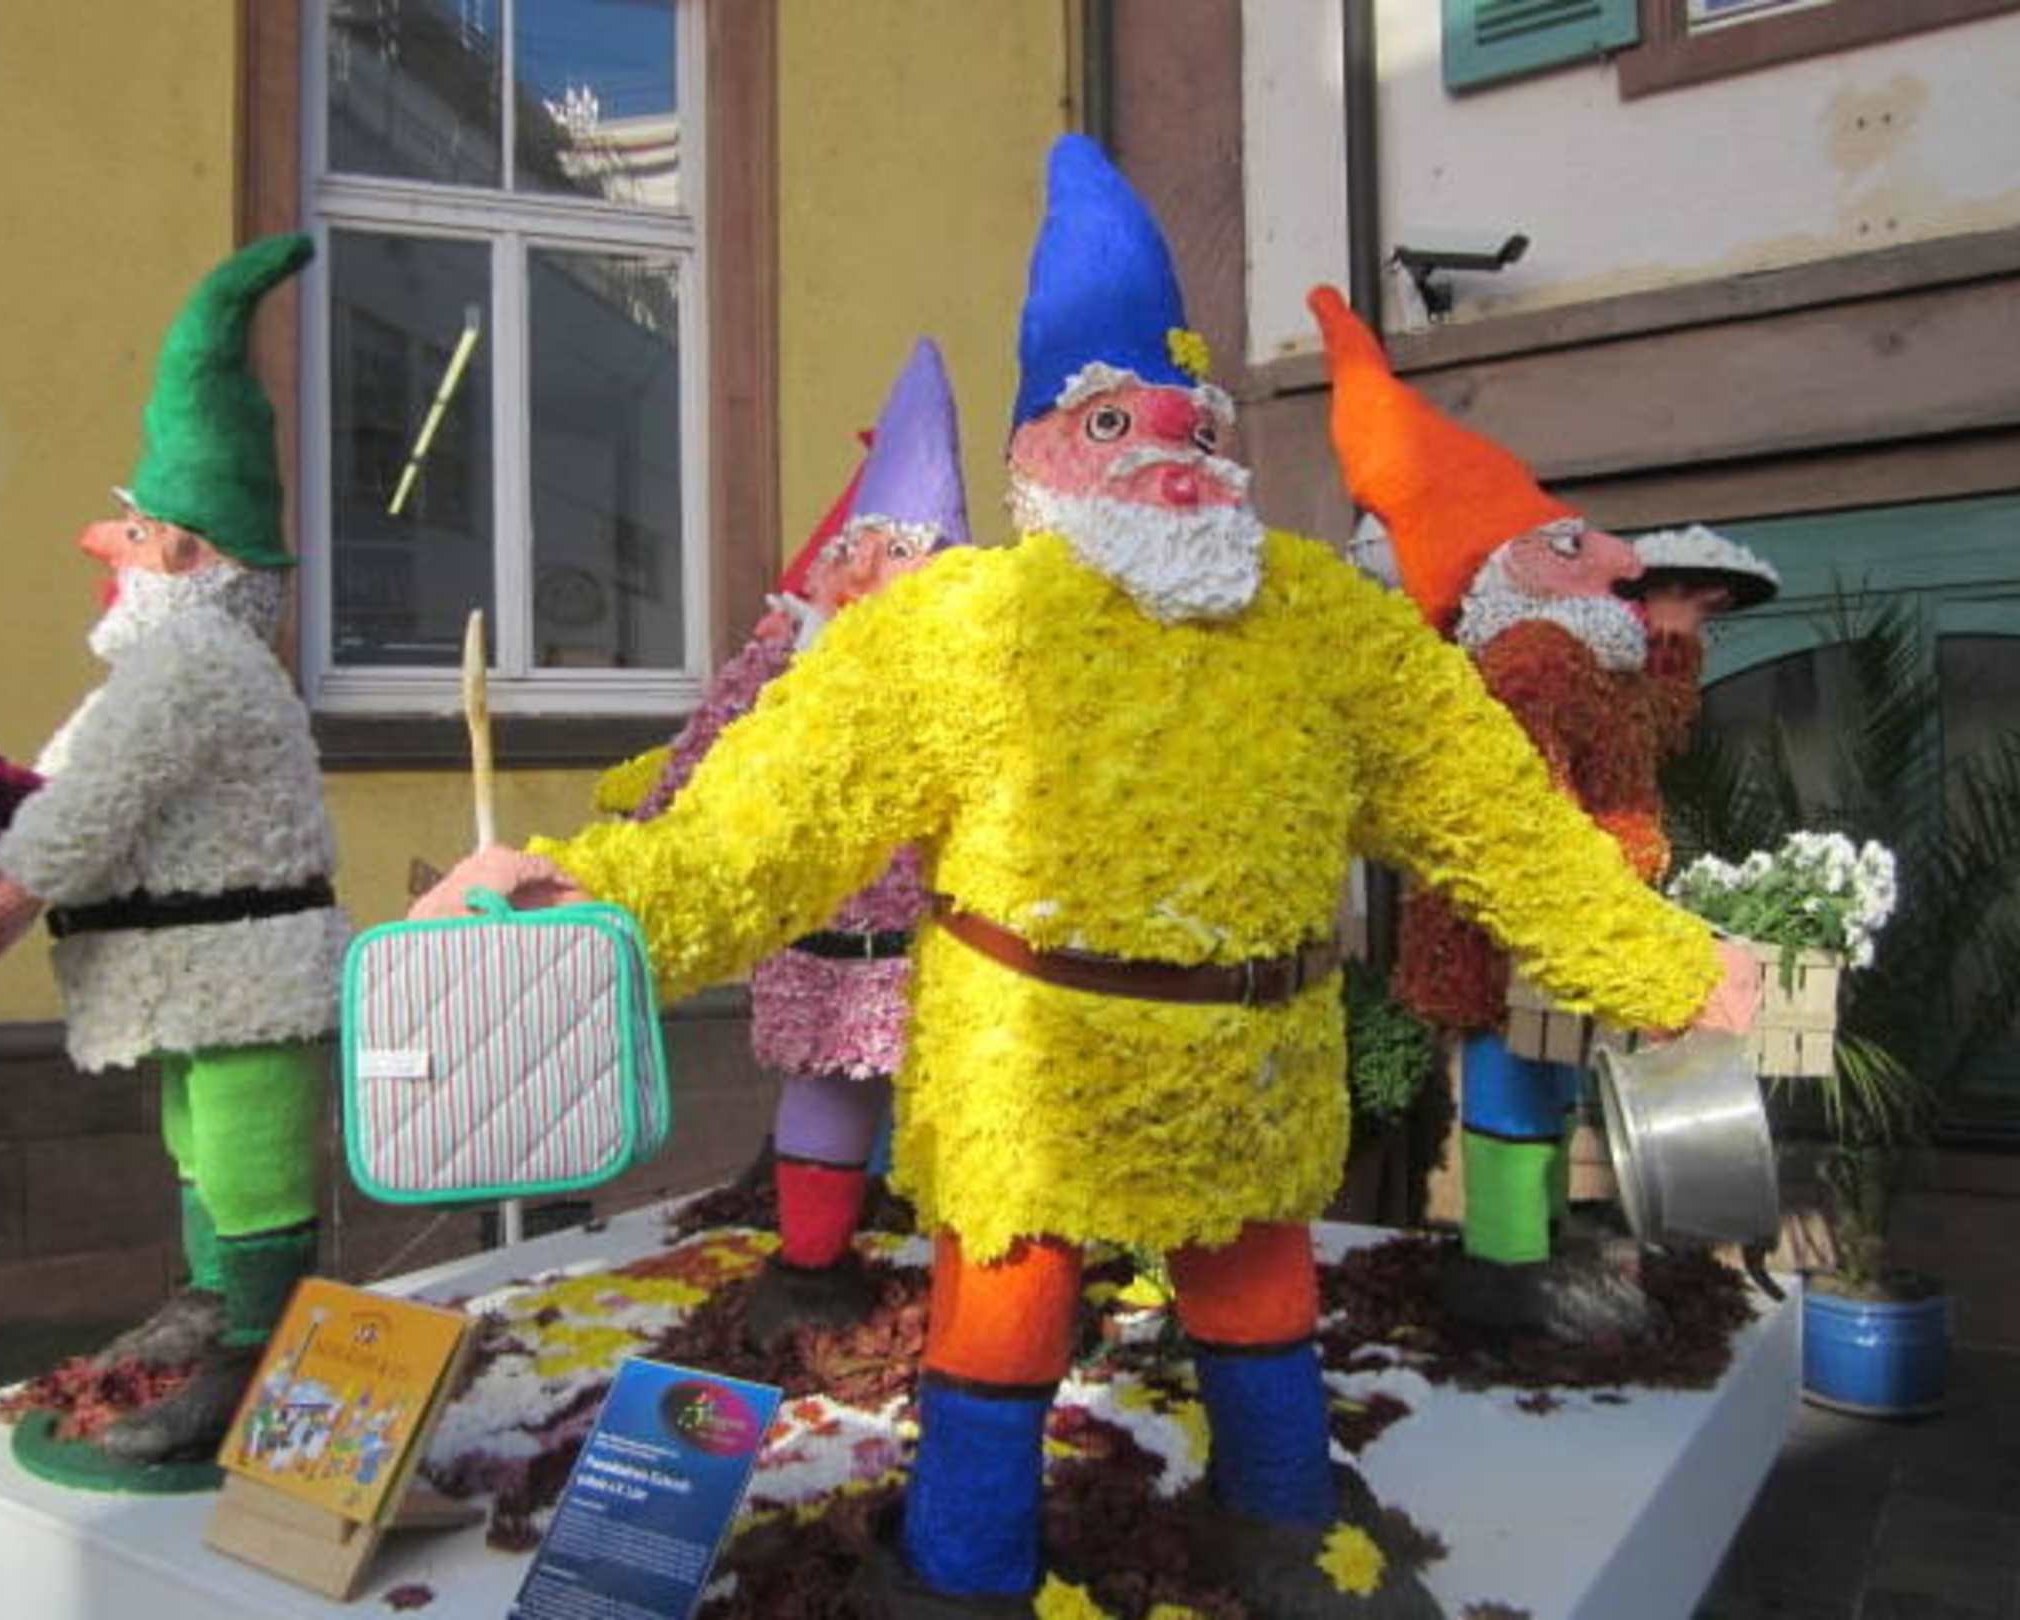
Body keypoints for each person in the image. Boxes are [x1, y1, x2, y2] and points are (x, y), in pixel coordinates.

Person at [417, 137, 1756, 1617]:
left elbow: (1499, 821)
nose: (1172, 454)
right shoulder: (952, 627)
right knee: (1007, 1303)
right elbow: (762, 830)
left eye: (1199, 423)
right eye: (1115, 419)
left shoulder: (1330, 625)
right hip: (1029, 1072)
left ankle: (1284, 1528)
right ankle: (967, 1568)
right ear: (1035, 455)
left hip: (1256, 1067)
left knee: (1260, 1292)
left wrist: (1668, 965)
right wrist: (586, 898)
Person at [0, 234, 347, 1467]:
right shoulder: (171, 664)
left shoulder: (192, 660)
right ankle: (214, 1308)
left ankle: (255, 1356)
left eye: (131, 530)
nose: (100, 546)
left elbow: (97, 794)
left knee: (252, 1161)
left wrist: (6, 897)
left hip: (244, 979)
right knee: (199, 1146)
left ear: (185, 556)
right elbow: (62, 782)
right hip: (191, 980)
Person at [1311, 288, 1767, 1340]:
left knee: (1546, 1079)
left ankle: (1539, 1248)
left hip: (1562, 919)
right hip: (1516, 928)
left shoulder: (1579, 655)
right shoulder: (1528, 661)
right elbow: (1523, 816)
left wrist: (1673, 632)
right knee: (1516, 1080)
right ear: (1509, 573)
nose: (1619, 559)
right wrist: (1589, 908)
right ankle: (1509, 1266)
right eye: (1572, 548)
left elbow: (1644, 734)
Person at [611, 340, 969, 1343]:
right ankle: (819, 1270)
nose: (869, 581)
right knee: (838, 1097)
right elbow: (698, 769)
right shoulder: (783, 679)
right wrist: (645, 846)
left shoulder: (962, 682)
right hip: (837, 948)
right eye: (863, 558)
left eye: (899, 558)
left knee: (948, 1113)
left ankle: (955, 1290)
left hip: (945, 955)